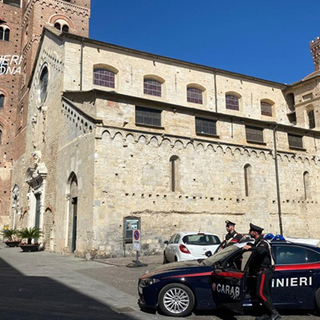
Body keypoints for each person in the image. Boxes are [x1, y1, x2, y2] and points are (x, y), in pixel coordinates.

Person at [243, 223, 281, 320]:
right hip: (260, 272)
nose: (249, 232)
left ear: (255, 232)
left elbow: (261, 251)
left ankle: (274, 313)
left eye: (250, 231)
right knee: (265, 294)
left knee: (260, 293)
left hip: (264, 271)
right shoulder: (257, 243)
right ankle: (267, 314)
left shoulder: (263, 243)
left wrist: (250, 248)